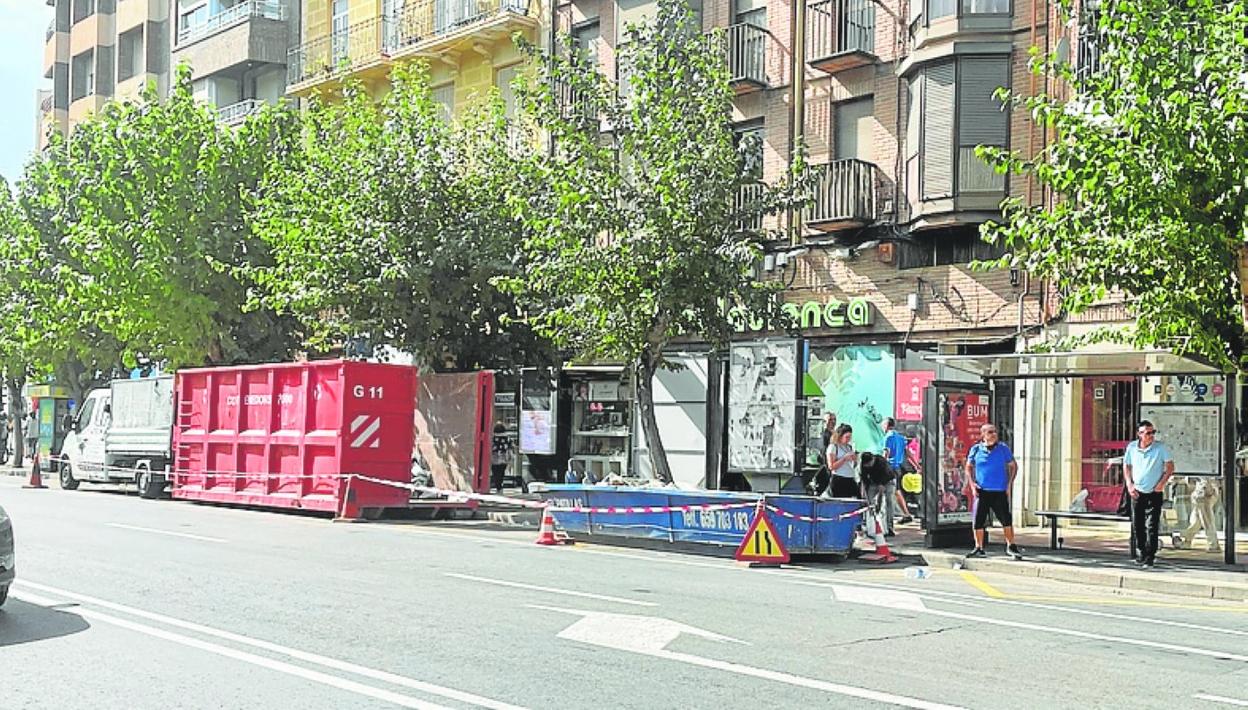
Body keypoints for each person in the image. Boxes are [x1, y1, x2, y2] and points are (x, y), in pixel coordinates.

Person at [964, 423, 1021, 559]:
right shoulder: (976, 449)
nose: (993, 434)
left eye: (994, 432)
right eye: (989, 432)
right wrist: (972, 485)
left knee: (1005, 519)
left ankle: (1011, 546)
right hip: (982, 491)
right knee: (978, 519)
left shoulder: (1003, 449)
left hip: (999, 490)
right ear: (983, 435)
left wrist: (1009, 484)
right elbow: (968, 467)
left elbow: (1013, 466)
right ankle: (979, 547)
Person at [1123, 420, 1175, 568]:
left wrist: (1162, 483)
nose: (1151, 436)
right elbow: (1126, 465)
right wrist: (1129, 484)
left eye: (1153, 432)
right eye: (1147, 433)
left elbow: (1170, 467)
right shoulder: (1132, 447)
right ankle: (1141, 551)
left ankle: (1150, 555)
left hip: (1154, 491)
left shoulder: (1160, 448)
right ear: (1139, 434)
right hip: (1137, 491)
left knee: (1152, 524)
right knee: (1137, 523)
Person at [880, 417, 916, 531]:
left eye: (882, 425)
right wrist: (916, 465)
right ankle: (906, 514)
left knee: (890, 494)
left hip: (890, 467)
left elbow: (886, 453)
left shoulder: (888, 437)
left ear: (886, 425)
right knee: (897, 491)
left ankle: (894, 520)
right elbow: (907, 452)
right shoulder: (901, 437)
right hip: (899, 467)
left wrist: (881, 467)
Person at [825, 423, 860, 499]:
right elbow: (831, 466)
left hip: (850, 478)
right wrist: (844, 459)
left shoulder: (849, 447)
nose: (848, 439)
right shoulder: (833, 447)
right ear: (840, 436)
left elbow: (853, 464)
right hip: (839, 479)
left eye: (850, 437)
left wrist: (855, 459)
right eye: (846, 437)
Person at [810, 413, 836, 497]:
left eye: (834, 419)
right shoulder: (826, 435)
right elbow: (825, 452)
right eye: (830, 420)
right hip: (829, 466)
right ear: (825, 422)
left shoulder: (834, 434)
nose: (833, 422)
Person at [490, 423, 514, 493]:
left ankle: (498, 486)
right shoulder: (507, 438)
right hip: (504, 458)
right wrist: (510, 459)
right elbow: (510, 448)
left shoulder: (492, 438)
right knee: (501, 472)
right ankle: (499, 486)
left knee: (495, 472)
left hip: (494, 458)